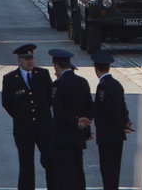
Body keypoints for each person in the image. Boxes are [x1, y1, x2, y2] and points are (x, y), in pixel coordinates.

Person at [2, 44, 54, 190]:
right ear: (19, 60)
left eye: (31, 58)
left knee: (51, 161)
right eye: (26, 59)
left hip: (44, 127)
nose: (30, 62)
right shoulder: (10, 79)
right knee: (26, 165)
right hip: (24, 128)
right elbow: (7, 103)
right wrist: (21, 116)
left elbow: (50, 98)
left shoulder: (42, 74)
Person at [49, 48, 94, 190]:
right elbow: (89, 106)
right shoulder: (82, 82)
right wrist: (84, 123)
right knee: (78, 170)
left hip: (63, 137)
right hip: (78, 136)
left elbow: (58, 112)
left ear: (56, 65)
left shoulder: (58, 84)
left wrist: (75, 122)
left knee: (64, 174)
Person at [90, 51, 132, 190]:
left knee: (107, 167)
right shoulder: (116, 84)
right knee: (115, 167)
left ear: (96, 69)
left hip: (108, 133)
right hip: (118, 134)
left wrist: (121, 124)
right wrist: (125, 120)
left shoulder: (102, 86)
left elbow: (108, 110)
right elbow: (122, 105)